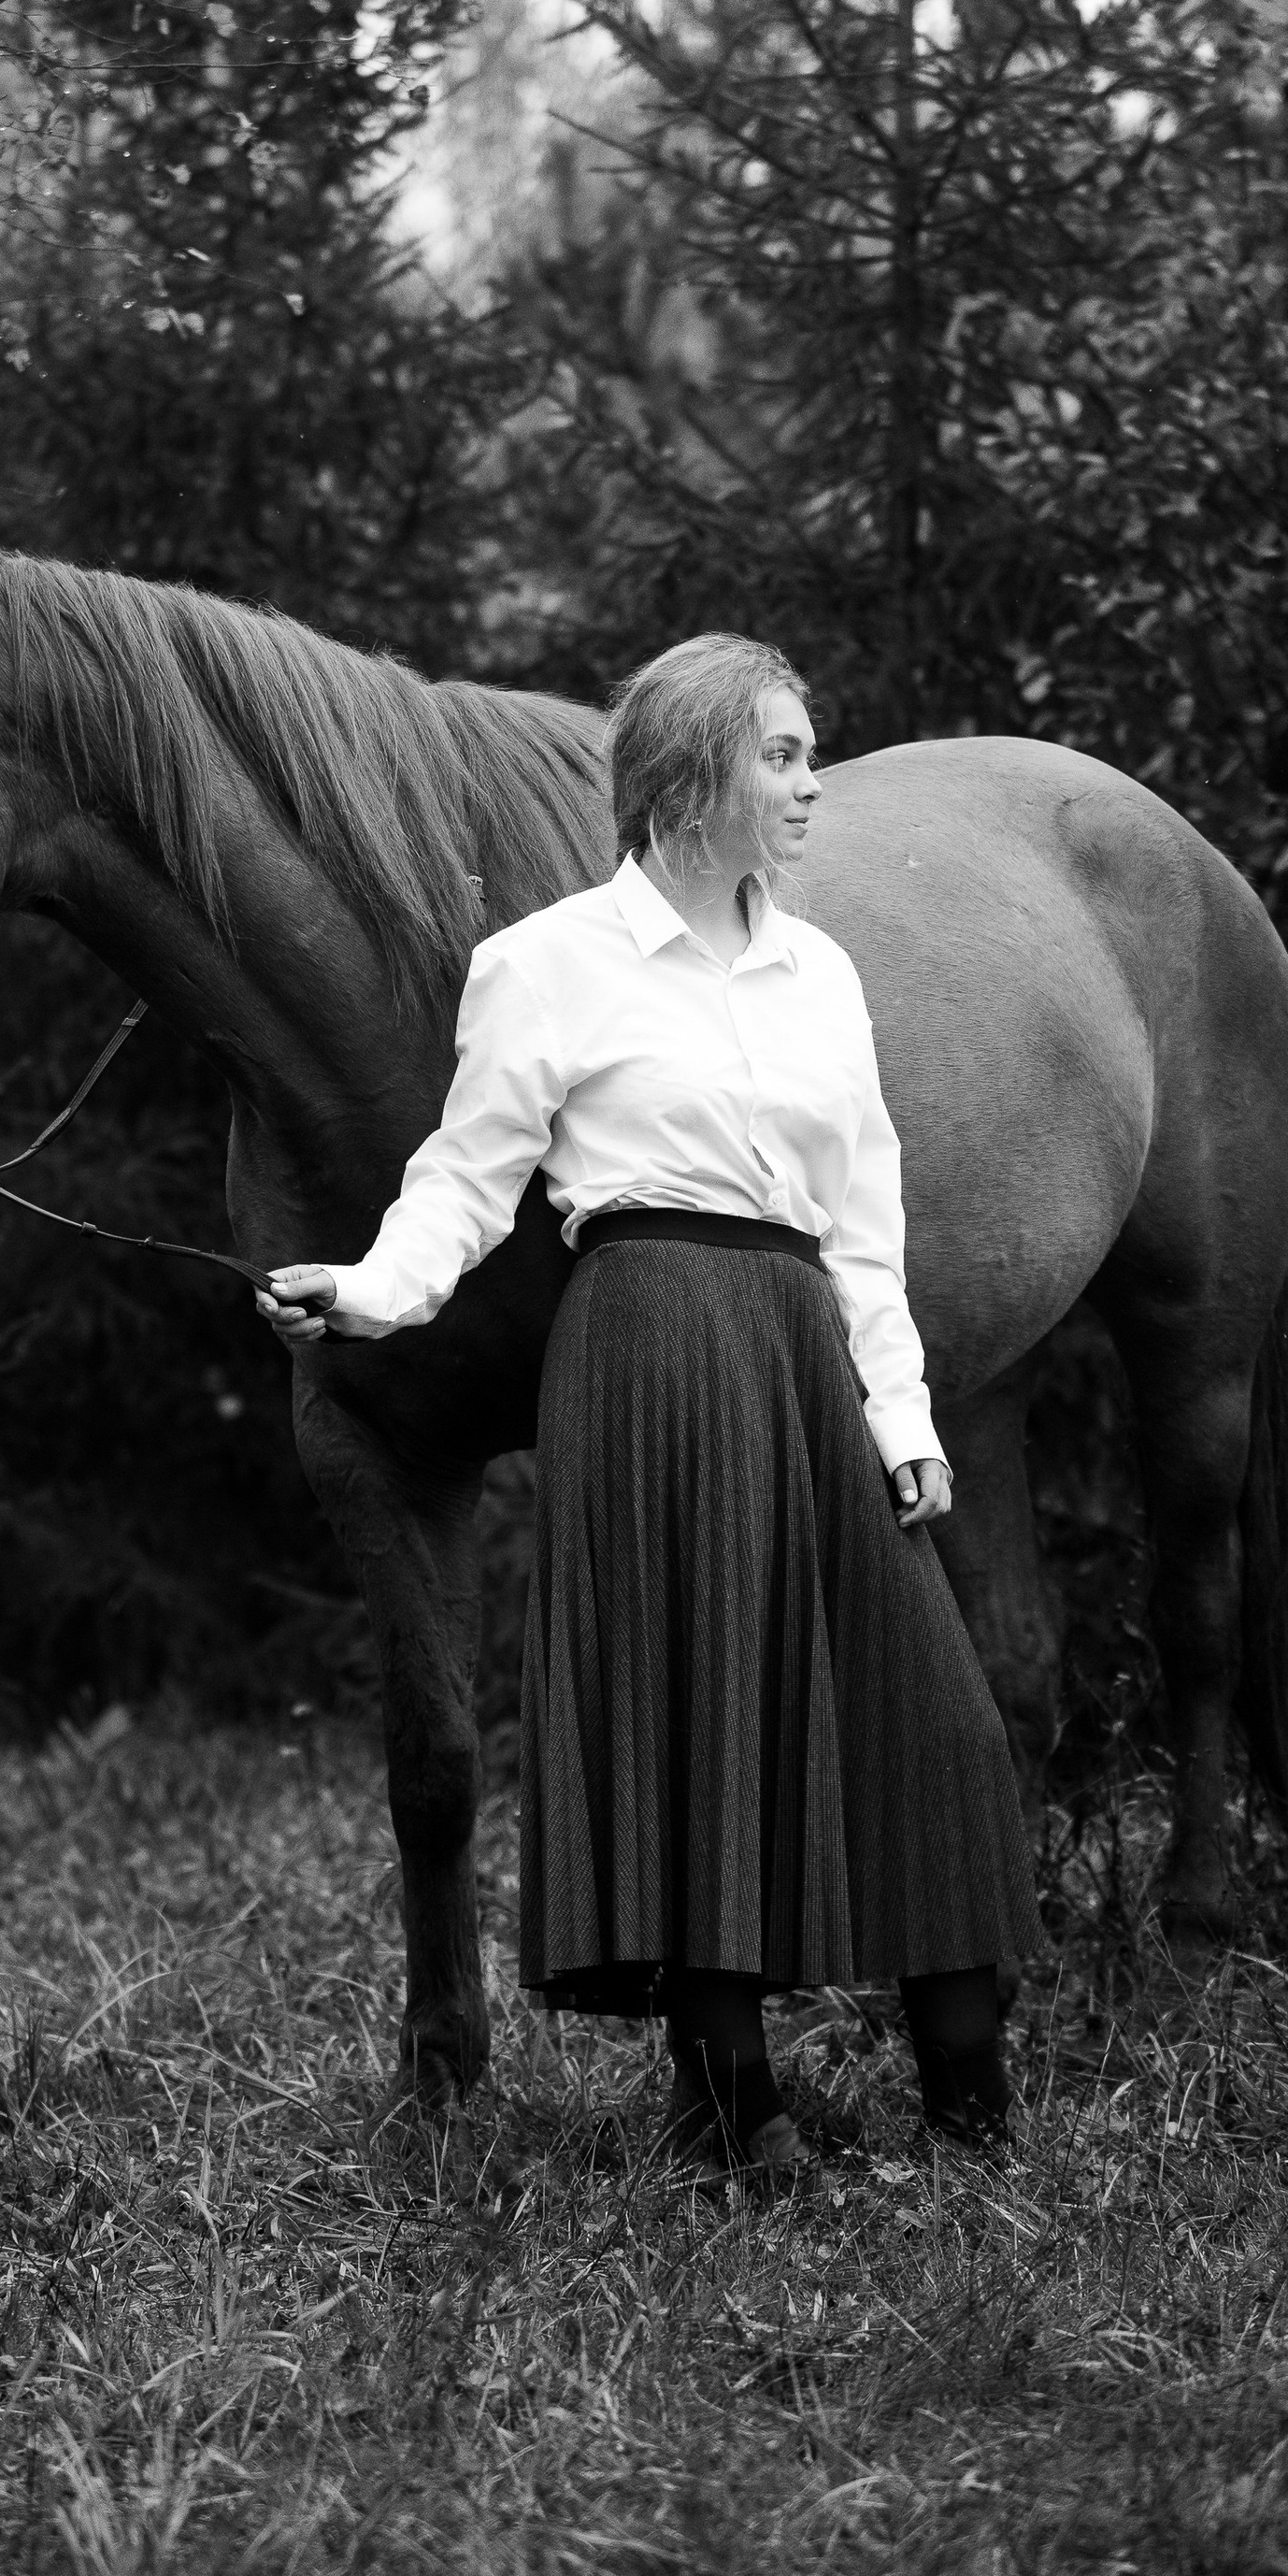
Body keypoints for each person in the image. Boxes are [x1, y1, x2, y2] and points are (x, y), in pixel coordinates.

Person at [256, 633, 1042, 2182]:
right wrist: (364, 1289)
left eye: (811, 754)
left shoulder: (821, 972)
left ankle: (969, 2098)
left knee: (937, 1723)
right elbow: (464, 1184)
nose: (816, 787)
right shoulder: (543, 963)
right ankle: (732, 2103)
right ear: (691, 775)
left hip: (800, 1340)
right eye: (787, 756)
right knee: (697, 1715)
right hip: (642, 1348)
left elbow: (864, 1222)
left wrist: (904, 1417)